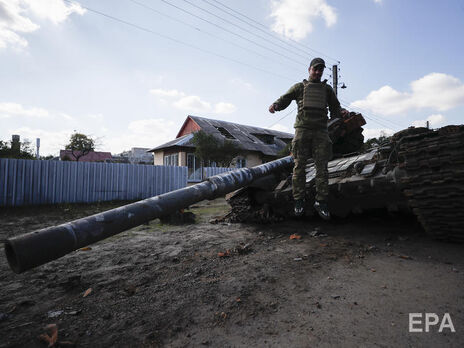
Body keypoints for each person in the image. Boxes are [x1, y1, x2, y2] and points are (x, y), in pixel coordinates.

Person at [269, 57, 342, 220]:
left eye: (320, 70)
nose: (317, 72)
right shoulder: (299, 87)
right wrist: (275, 106)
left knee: (322, 168)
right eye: (315, 69)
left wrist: (336, 118)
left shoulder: (327, 90)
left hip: (321, 131)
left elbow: (336, 108)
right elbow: (285, 98)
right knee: (299, 166)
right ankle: (298, 200)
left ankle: (321, 202)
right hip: (302, 130)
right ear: (309, 69)